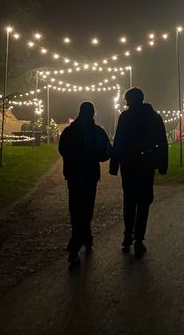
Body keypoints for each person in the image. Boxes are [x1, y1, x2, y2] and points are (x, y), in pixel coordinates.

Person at [109, 87, 168, 258]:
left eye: (127, 99)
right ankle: (138, 238)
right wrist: (163, 164)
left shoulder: (125, 118)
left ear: (130, 100)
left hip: (129, 165)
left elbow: (119, 141)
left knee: (129, 200)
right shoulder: (154, 117)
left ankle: (128, 234)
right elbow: (162, 143)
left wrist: (114, 164)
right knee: (144, 201)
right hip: (147, 165)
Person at [58, 102, 111, 265]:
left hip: (75, 175)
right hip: (88, 175)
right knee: (86, 209)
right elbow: (106, 153)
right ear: (93, 113)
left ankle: (84, 240)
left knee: (76, 209)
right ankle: (77, 245)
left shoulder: (69, 131)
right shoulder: (97, 131)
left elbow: (63, 150)